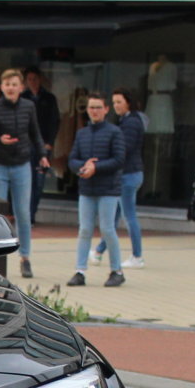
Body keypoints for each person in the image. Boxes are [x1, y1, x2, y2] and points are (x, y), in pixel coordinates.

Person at [0, 68, 48, 279]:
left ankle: (25, 258)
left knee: (23, 213)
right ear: (2, 87)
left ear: (21, 87)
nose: (11, 88)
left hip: (21, 164)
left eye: (14, 84)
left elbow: (36, 134)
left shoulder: (29, 107)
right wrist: (0, 141)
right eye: (7, 84)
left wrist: (43, 155)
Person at [66, 92, 127, 288]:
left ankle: (116, 270)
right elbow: (72, 159)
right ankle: (80, 270)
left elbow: (119, 160)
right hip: (86, 189)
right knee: (84, 229)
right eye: (91, 107)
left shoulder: (114, 132)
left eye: (98, 107)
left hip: (108, 189)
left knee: (108, 230)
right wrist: (81, 167)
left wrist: (96, 167)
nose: (94, 111)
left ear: (106, 109)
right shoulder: (82, 133)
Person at [94, 88, 146, 268]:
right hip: (129, 173)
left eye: (119, 102)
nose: (116, 106)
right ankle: (100, 250)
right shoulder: (127, 120)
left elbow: (125, 148)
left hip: (128, 175)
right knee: (115, 215)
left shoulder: (131, 123)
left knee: (128, 215)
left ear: (128, 102)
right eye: (114, 102)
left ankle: (137, 256)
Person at [21, 67, 59, 222]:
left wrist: (50, 142)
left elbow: (54, 121)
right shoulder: (23, 98)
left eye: (35, 79)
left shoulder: (49, 98)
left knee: (39, 182)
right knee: (27, 182)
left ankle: (32, 212)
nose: (32, 82)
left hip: (43, 145)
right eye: (29, 79)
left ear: (40, 79)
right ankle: (27, 216)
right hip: (26, 146)